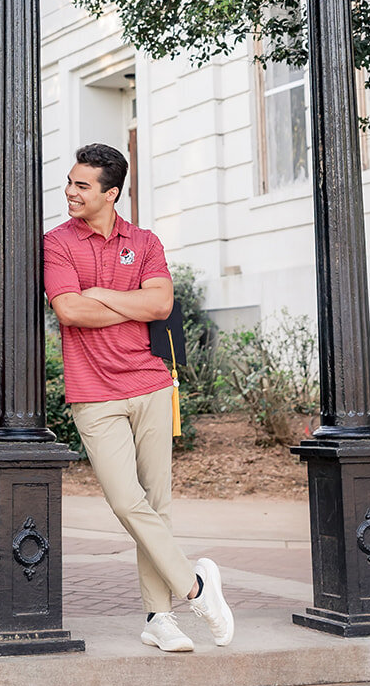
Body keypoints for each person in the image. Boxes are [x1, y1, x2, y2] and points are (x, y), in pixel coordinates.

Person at [44, 142, 234, 653]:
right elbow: (69, 312)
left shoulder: (145, 241)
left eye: (82, 185)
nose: (69, 192)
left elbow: (162, 302)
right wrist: (130, 305)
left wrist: (102, 294)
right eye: (70, 181)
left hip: (151, 384)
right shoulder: (57, 243)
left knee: (158, 504)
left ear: (111, 193)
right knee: (126, 500)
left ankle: (159, 618)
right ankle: (195, 586)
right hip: (94, 393)